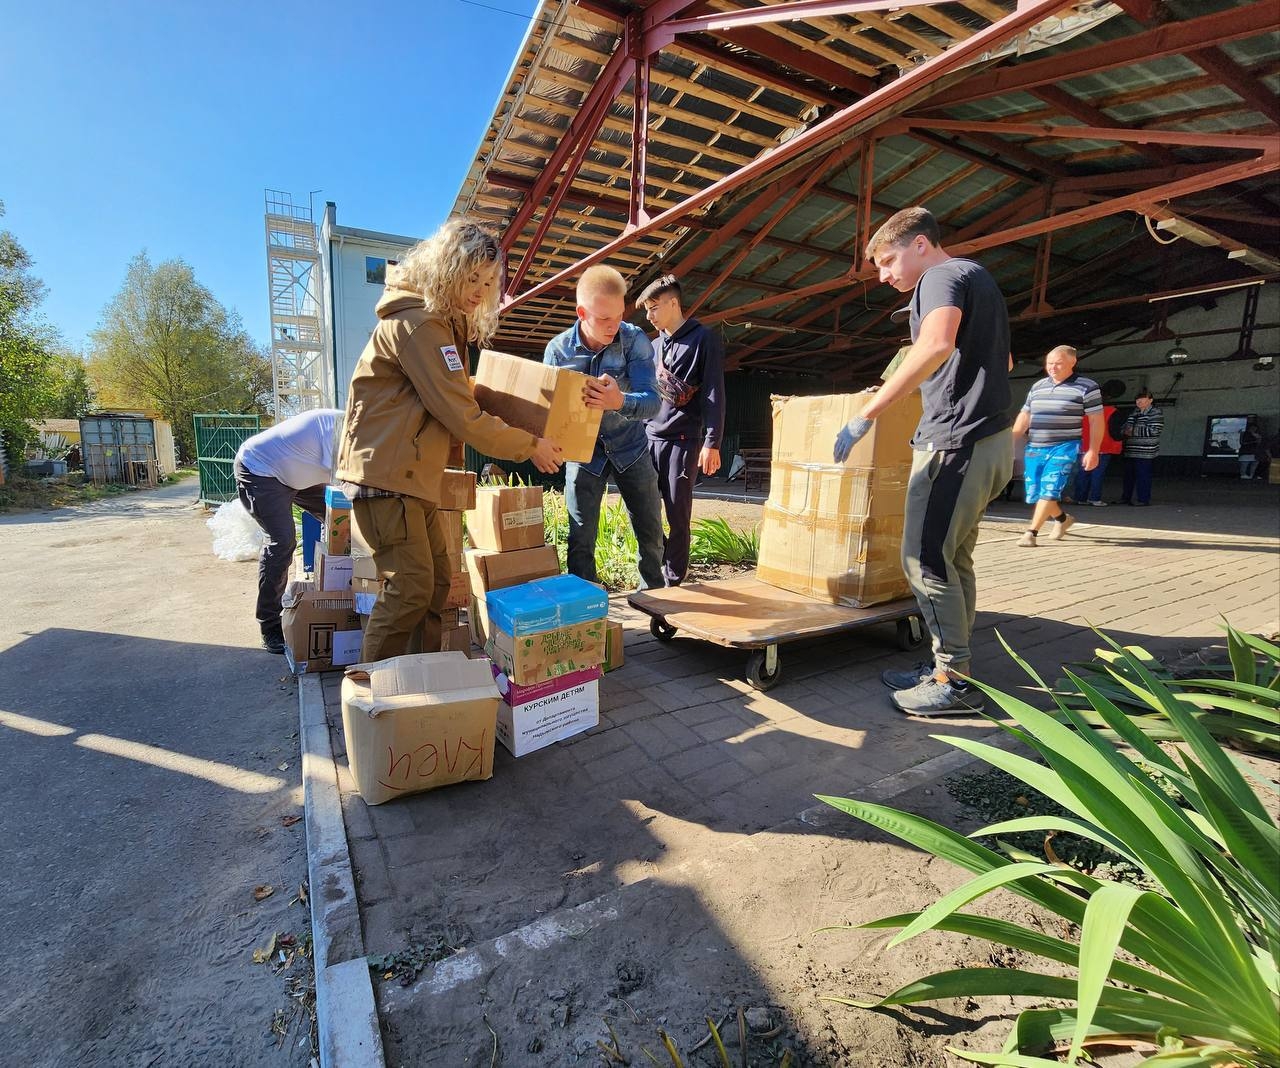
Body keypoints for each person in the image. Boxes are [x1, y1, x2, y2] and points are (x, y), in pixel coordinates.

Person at [335, 220, 563, 662]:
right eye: (472, 277)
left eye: (489, 282)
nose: (480, 291)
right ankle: (371, 698)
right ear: (448, 268)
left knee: (437, 583)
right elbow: (460, 415)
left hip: (412, 478)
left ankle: (426, 678)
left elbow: (450, 397)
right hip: (387, 479)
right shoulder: (420, 325)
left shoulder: (440, 323)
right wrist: (530, 445)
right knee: (409, 588)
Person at [832, 205, 1012, 717]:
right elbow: (1004, 361)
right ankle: (947, 665)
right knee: (953, 559)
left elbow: (935, 343)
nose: (885, 275)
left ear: (920, 244)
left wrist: (866, 414)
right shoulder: (979, 279)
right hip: (989, 441)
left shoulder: (941, 275)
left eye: (888, 261)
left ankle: (953, 681)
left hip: (955, 444)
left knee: (923, 560)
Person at [544, 265, 664, 589]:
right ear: (582, 312)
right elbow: (545, 413)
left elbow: (653, 401)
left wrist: (618, 401)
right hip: (583, 455)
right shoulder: (557, 352)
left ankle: (655, 604)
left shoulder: (634, 339)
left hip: (631, 447)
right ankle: (585, 616)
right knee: (580, 539)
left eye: (619, 316)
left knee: (651, 533)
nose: (614, 327)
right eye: (604, 320)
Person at [638, 273, 725, 586]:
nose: (649, 315)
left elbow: (714, 392)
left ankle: (673, 579)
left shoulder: (703, 338)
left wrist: (711, 442)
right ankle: (657, 565)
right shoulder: (652, 346)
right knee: (645, 510)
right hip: (649, 438)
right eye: (646, 310)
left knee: (677, 514)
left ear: (673, 303)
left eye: (653, 307)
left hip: (683, 441)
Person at [234, 408, 344, 654]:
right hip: (260, 471)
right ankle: (270, 624)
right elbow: (349, 484)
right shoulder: (338, 432)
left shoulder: (359, 430)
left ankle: (338, 592)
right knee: (282, 542)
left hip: (297, 475)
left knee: (344, 523)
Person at [1010, 345, 1103, 547]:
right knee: (1036, 491)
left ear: (1072, 362)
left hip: (1064, 446)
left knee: (1050, 489)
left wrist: (1093, 450)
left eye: (1058, 363)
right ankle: (1062, 519)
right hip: (1035, 446)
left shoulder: (1087, 386)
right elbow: (1025, 416)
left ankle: (1031, 532)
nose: (1053, 367)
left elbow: (1096, 420)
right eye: (1049, 363)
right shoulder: (1038, 386)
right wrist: (1011, 441)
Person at [1072, 398, 1123, 506]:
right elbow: (1115, 431)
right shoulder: (1112, 411)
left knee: (1083, 473)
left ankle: (1080, 498)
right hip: (1103, 447)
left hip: (1084, 447)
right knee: (1097, 474)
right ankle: (1094, 498)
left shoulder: (1082, 412)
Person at [1119, 389, 1163, 505]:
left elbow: (1154, 431)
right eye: (1137, 399)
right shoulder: (1134, 412)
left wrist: (1132, 430)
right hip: (1130, 450)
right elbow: (1124, 428)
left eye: (1142, 399)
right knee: (1128, 476)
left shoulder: (1155, 413)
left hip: (1146, 451)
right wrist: (1127, 430)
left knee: (1143, 476)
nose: (1139, 401)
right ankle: (1125, 498)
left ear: (1150, 400)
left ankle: (1143, 499)